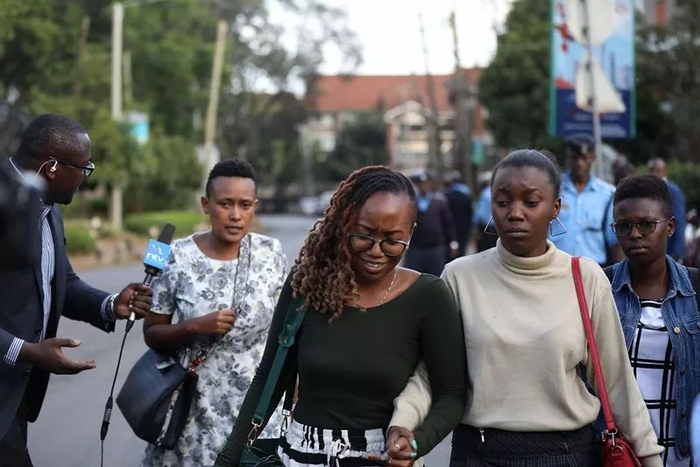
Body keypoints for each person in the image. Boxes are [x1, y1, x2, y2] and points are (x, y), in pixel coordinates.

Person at [390, 150, 663, 466]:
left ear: (556, 207)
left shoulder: (585, 277)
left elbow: (618, 383)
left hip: (567, 456)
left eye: (531, 202)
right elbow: (431, 372)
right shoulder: (459, 277)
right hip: (478, 455)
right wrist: (403, 424)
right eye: (502, 202)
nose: (515, 213)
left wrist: (649, 457)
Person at [215, 166, 466, 467]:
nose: (376, 251)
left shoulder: (428, 295)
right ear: (343, 224)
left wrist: (415, 444)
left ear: (410, 233)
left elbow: (452, 394)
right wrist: (226, 460)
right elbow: (268, 377)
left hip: (381, 459)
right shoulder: (306, 285)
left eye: (392, 240)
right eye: (363, 236)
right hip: (299, 457)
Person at [0, 114, 153, 467]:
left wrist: (111, 304)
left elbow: (62, 282)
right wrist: (27, 351)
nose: (86, 177)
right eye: (84, 168)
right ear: (52, 166)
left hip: (14, 396)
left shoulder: (48, 209)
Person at [140, 159, 288, 466]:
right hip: (192, 413)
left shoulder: (270, 253)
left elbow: (287, 329)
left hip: (257, 411)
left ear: (255, 207)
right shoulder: (176, 256)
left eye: (244, 205)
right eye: (225, 204)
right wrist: (193, 327)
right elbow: (152, 333)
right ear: (206, 205)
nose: (235, 215)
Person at [605, 175, 700, 466]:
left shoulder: (696, 290)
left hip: (682, 454)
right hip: (620, 455)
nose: (634, 234)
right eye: (623, 226)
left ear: (670, 226)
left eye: (646, 224)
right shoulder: (600, 287)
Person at [551, 134, 622, 266]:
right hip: (556, 265)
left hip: (594, 268)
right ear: (568, 157)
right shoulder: (553, 188)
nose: (579, 163)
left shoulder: (607, 194)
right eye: (574, 158)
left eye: (585, 158)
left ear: (593, 158)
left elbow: (614, 241)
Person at [403, 172, 458, 275]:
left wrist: (452, 241)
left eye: (426, 183)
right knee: (413, 275)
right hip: (416, 247)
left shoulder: (439, 201)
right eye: (421, 184)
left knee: (436, 275)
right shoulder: (412, 202)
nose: (424, 186)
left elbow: (448, 222)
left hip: (435, 247)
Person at [649, 158, 687, 262]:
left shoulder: (673, 191)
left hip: (670, 249)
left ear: (665, 171)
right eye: (652, 170)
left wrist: (677, 251)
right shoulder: (648, 191)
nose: (654, 174)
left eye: (658, 170)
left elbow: (679, 221)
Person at [444, 171, 473, 257]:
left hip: (449, 228)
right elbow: (470, 212)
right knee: (461, 251)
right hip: (464, 227)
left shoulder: (446, 196)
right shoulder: (466, 195)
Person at [472, 174, 497, 252]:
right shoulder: (497, 192)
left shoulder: (484, 194)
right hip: (499, 227)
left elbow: (480, 215)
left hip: (488, 228)